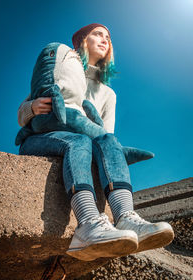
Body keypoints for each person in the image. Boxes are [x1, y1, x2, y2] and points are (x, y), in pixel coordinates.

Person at [17, 23, 174, 261]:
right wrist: (31, 108)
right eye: (98, 34)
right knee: (78, 141)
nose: (105, 40)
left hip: (84, 141)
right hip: (43, 138)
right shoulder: (65, 63)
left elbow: (105, 135)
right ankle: (88, 224)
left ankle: (126, 218)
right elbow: (25, 110)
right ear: (82, 40)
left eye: (108, 38)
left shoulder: (108, 94)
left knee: (101, 139)